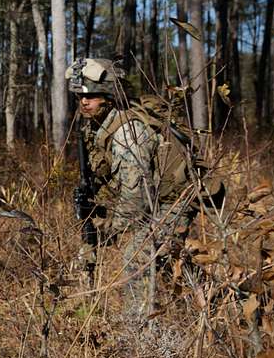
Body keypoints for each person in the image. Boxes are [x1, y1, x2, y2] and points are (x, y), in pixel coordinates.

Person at [68, 57, 215, 323]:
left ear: (109, 97)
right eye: (80, 97)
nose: (84, 102)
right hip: (157, 200)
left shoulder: (127, 133)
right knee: (169, 259)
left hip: (174, 199)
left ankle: (138, 332)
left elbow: (136, 200)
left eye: (92, 96)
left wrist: (108, 231)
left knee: (136, 256)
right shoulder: (97, 126)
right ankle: (205, 304)